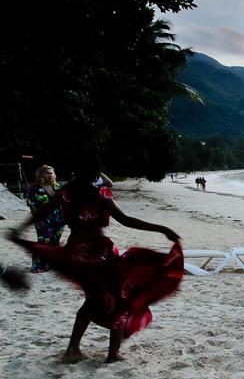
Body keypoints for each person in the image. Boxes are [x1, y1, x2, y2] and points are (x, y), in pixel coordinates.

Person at [9, 156, 183, 363]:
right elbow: (126, 220)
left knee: (93, 298)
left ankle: (73, 349)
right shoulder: (99, 193)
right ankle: (112, 354)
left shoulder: (65, 193)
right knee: (120, 299)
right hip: (99, 254)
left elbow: (42, 213)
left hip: (75, 253)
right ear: (95, 174)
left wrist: (19, 230)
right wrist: (162, 229)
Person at [26, 165, 65, 273]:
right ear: (41, 175)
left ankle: (51, 264)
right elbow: (32, 205)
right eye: (47, 173)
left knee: (54, 242)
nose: (50, 175)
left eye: (51, 173)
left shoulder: (58, 187)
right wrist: (38, 220)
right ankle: (38, 266)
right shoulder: (34, 188)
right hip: (43, 220)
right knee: (43, 242)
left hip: (59, 220)